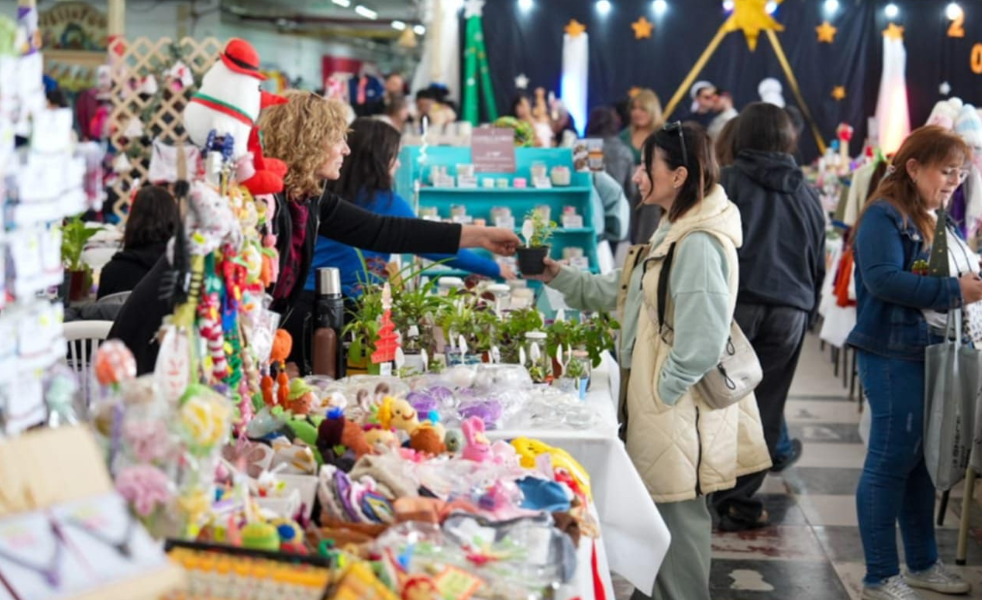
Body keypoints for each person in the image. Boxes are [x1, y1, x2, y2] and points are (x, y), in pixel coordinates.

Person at [109, 91, 519, 374]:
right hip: (166, 342)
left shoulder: (308, 200)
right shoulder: (257, 203)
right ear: (309, 142)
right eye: (338, 139)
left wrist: (479, 237)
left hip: (212, 346)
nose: (345, 149)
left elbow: (385, 231)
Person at [530, 123, 770, 600]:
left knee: (678, 527)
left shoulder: (698, 241)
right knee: (661, 524)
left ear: (678, 175)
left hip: (680, 411)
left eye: (647, 167)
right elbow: (623, 291)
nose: (638, 176)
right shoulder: (674, 229)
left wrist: (662, 392)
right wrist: (557, 275)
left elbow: (702, 340)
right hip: (664, 408)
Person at [847, 125, 981, 600]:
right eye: (947, 171)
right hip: (892, 352)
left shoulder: (933, 215)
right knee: (890, 460)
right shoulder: (885, 216)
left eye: (961, 175)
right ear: (913, 167)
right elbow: (883, 281)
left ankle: (924, 563)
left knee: (923, 462)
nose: (954, 182)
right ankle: (879, 575)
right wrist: (954, 291)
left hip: (929, 350)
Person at [710, 102, 825, 532]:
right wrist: (806, 312)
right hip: (790, 310)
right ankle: (740, 499)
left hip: (733, 307)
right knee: (767, 404)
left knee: (714, 399)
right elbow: (818, 260)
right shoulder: (806, 191)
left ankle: (707, 488)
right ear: (788, 138)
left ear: (740, 134)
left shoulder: (726, 182)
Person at [307, 118, 515, 299]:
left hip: (303, 291)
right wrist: (493, 267)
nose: (397, 164)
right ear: (378, 159)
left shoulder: (323, 196)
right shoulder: (385, 203)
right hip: (348, 298)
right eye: (394, 156)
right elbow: (426, 241)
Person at [98, 185, 178, 299]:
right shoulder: (182, 272)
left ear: (133, 219)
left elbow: (99, 314)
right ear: (174, 218)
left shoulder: (111, 271)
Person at [619, 89, 664, 244]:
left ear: (652, 111)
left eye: (642, 109)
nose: (637, 113)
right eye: (634, 108)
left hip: (654, 193)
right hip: (628, 192)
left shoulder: (662, 134)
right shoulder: (624, 135)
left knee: (648, 234)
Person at [586, 106, 635, 207]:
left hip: (588, 205)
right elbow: (631, 190)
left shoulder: (582, 149)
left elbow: (579, 183)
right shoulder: (624, 151)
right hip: (617, 205)